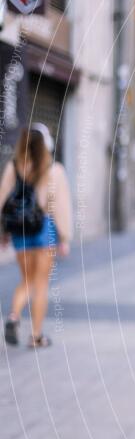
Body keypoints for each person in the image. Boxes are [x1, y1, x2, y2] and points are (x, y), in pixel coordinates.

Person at [1, 124, 72, 348]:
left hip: (21, 230)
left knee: (26, 280)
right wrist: (64, 237)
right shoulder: (54, 169)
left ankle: (13, 315)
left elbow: (3, 200)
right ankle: (36, 336)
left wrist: (3, 232)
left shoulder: (14, 167)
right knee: (40, 284)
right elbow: (60, 206)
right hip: (45, 230)